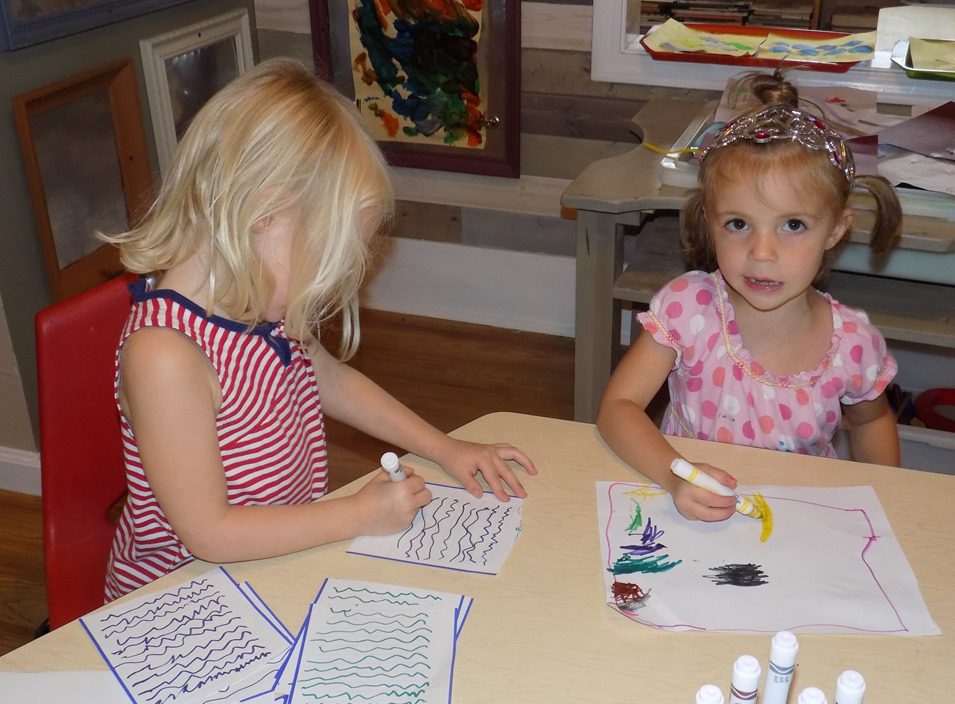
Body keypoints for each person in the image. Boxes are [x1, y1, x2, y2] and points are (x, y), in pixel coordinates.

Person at [101, 59, 536, 600]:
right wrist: (356, 514)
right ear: (260, 214)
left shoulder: (257, 310)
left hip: (272, 564)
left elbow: (333, 381)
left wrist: (444, 448)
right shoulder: (166, 357)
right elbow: (209, 534)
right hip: (182, 604)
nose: (324, 291)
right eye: (321, 261)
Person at [596, 72, 902, 523]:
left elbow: (872, 420)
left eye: (793, 225)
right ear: (710, 222)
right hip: (688, 516)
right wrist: (674, 475)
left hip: (800, 522)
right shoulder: (687, 309)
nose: (761, 253)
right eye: (738, 224)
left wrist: (886, 502)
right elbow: (617, 408)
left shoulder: (855, 344)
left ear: (836, 229)